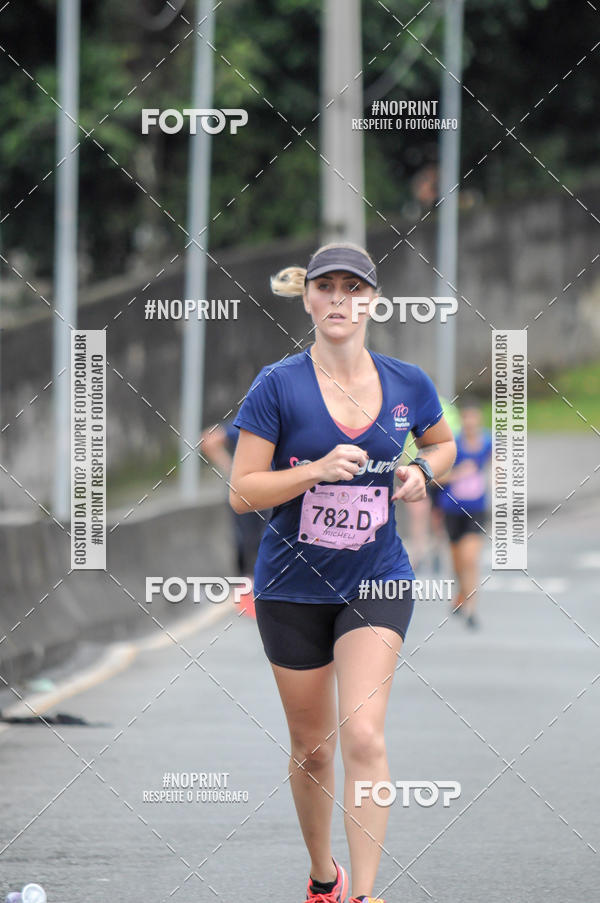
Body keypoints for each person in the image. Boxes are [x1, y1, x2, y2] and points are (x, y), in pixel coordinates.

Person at [229, 242, 456, 903]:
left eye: (353, 289)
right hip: (291, 587)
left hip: (376, 579)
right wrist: (315, 471)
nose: (339, 300)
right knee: (314, 748)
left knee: (362, 733)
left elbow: (442, 443)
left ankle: (365, 895)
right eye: (325, 287)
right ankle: (324, 877)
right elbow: (242, 491)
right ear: (307, 298)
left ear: (373, 302)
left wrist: (421, 471)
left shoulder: (407, 383)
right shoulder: (277, 384)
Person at [437, 399, 492, 629]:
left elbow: (499, 464)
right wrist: (457, 474)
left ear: (479, 420)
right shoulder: (453, 445)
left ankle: (470, 608)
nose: (470, 423)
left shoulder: (488, 443)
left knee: (470, 558)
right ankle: (461, 593)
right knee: (458, 561)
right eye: (466, 418)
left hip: (476, 510)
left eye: (473, 418)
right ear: (462, 420)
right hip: (452, 509)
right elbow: (436, 478)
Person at [201, 418, 270, 582]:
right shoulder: (253, 424)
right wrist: (233, 470)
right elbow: (208, 440)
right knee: (250, 542)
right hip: (251, 494)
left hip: (264, 492)